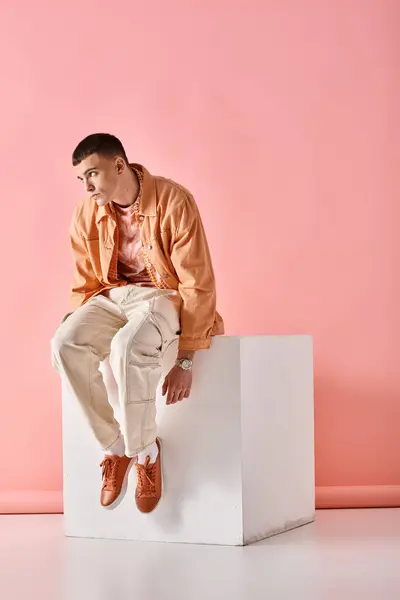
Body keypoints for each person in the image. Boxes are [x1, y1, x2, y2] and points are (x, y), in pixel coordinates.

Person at [51, 133, 224, 513]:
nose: (87, 186)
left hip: (165, 297)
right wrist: (84, 330)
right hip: (112, 298)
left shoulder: (173, 200)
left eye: (93, 173)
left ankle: (145, 451)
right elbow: (85, 285)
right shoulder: (86, 213)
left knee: (128, 346)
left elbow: (197, 281)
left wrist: (186, 358)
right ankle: (115, 448)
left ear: (119, 165)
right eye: (81, 179)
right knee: (64, 343)